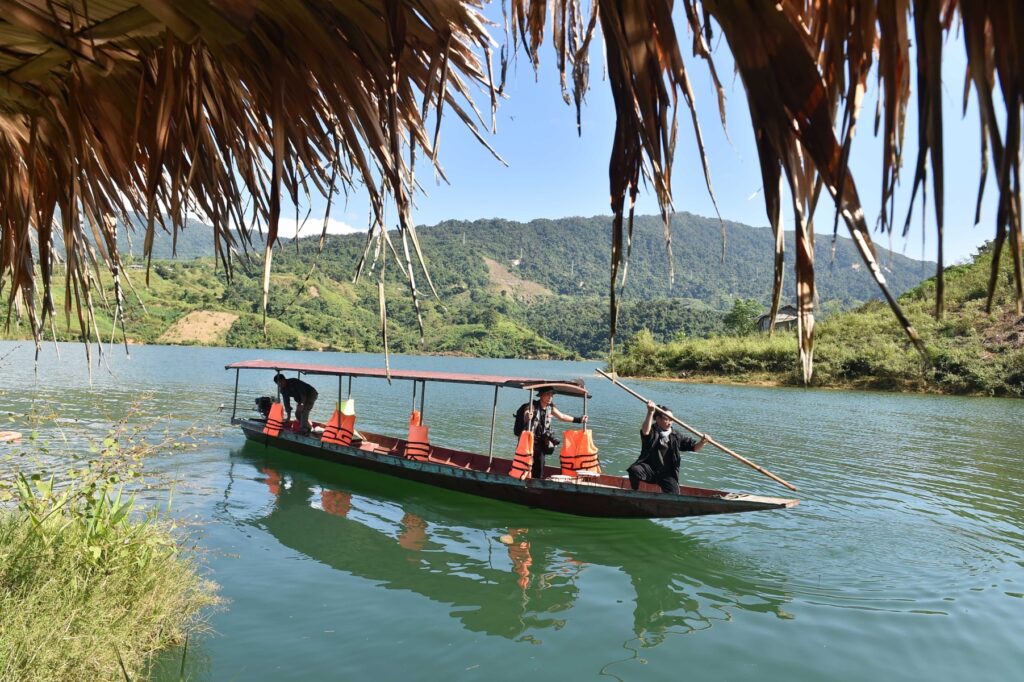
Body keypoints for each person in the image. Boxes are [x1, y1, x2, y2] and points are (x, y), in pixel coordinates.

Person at [628, 401, 708, 493]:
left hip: (667, 474)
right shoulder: (652, 431)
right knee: (634, 470)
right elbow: (645, 432)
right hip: (650, 470)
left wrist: (702, 442)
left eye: (672, 419)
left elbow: (694, 448)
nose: (670, 422)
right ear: (657, 419)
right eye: (667, 419)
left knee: (674, 494)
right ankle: (634, 492)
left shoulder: (676, 436)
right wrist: (650, 412)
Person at [515, 386, 587, 479]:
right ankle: (522, 479)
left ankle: (536, 483)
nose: (550, 397)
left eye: (551, 395)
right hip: (529, 442)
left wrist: (579, 420)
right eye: (547, 394)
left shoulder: (550, 408)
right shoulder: (532, 405)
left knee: (540, 464)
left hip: (541, 442)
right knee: (526, 463)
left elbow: (562, 416)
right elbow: (527, 413)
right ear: (541, 395)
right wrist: (528, 416)